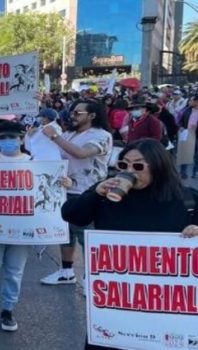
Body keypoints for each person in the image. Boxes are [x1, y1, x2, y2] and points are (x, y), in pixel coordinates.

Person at [61, 139, 198, 350]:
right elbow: (71, 214)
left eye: (138, 166)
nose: (130, 171)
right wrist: (95, 193)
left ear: (158, 166)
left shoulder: (186, 200)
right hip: (117, 306)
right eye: (123, 165)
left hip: (166, 308)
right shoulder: (107, 195)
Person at [0, 121, 72, 333]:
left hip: (22, 232)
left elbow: (49, 192)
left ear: (21, 138)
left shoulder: (36, 163)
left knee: (14, 272)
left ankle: (7, 310)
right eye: (2, 138)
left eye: (12, 137)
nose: (7, 142)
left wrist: (64, 184)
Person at [41, 99, 113, 285]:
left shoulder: (101, 135)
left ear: (92, 116)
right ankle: (66, 271)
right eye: (71, 112)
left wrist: (55, 137)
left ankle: (92, 277)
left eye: (77, 113)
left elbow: (81, 153)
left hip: (87, 191)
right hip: (64, 189)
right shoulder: (70, 134)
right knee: (65, 233)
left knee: (85, 234)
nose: (72, 116)